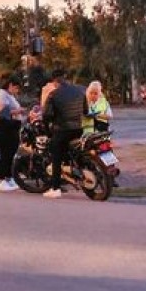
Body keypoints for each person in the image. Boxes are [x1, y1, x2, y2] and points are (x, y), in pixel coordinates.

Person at [42, 67, 88, 199]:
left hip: (62, 129)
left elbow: (47, 115)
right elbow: (85, 110)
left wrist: (48, 129)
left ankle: (55, 187)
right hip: (78, 129)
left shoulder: (54, 94)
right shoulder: (80, 90)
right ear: (65, 77)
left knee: (55, 155)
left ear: (55, 82)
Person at [0, 76, 24, 191]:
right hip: (5, 127)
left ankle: (9, 178)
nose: (17, 90)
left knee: (11, 154)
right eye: (15, 88)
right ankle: (0, 180)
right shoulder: (2, 95)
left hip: (12, 127)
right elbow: (2, 112)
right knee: (6, 154)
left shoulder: (9, 96)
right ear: (10, 85)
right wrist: (18, 111)